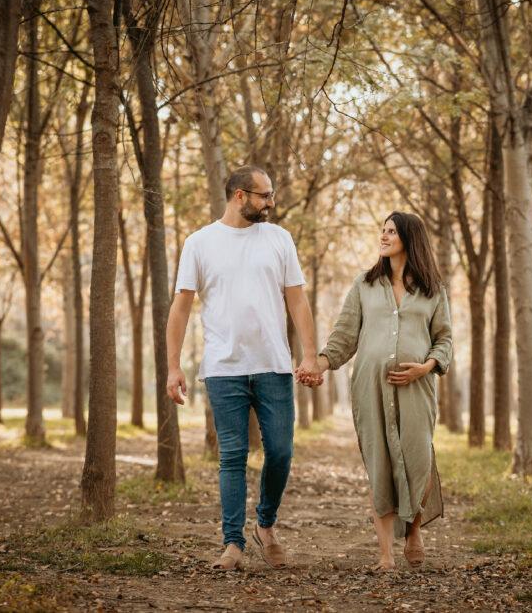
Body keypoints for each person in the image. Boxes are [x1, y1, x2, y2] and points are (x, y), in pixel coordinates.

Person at [165, 165, 322, 571]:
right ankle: (233, 543)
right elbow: (181, 308)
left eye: (270, 194)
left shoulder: (279, 238)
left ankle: (265, 524)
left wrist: (310, 354)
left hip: (273, 365)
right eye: (263, 195)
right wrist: (173, 367)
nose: (271, 202)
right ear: (239, 195)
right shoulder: (199, 243)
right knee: (232, 457)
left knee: (282, 451)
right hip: (223, 368)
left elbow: (297, 301)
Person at [299, 211, 452, 571]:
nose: (383, 237)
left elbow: (444, 338)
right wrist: (317, 365)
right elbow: (344, 335)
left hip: (419, 390)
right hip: (370, 388)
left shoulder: (432, 291)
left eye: (392, 232)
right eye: (382, 231)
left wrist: (426, 367)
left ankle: (414, 528)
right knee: (379, 466)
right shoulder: (364, 285)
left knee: (419, 461)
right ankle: (385, 555)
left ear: (409, 239)